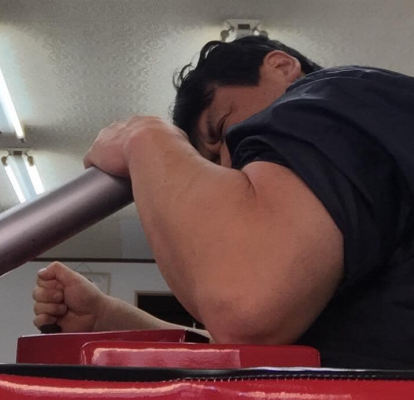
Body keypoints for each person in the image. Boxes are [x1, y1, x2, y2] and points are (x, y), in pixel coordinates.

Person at [33, 36, 414, 369]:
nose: (229, 162)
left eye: (220, 129)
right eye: (213, 160)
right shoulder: (339, 230)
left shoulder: (330, 96)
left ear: (281, 66)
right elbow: (253, 354)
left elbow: (247, 308)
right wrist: (107, 318)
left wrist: (144, 136)